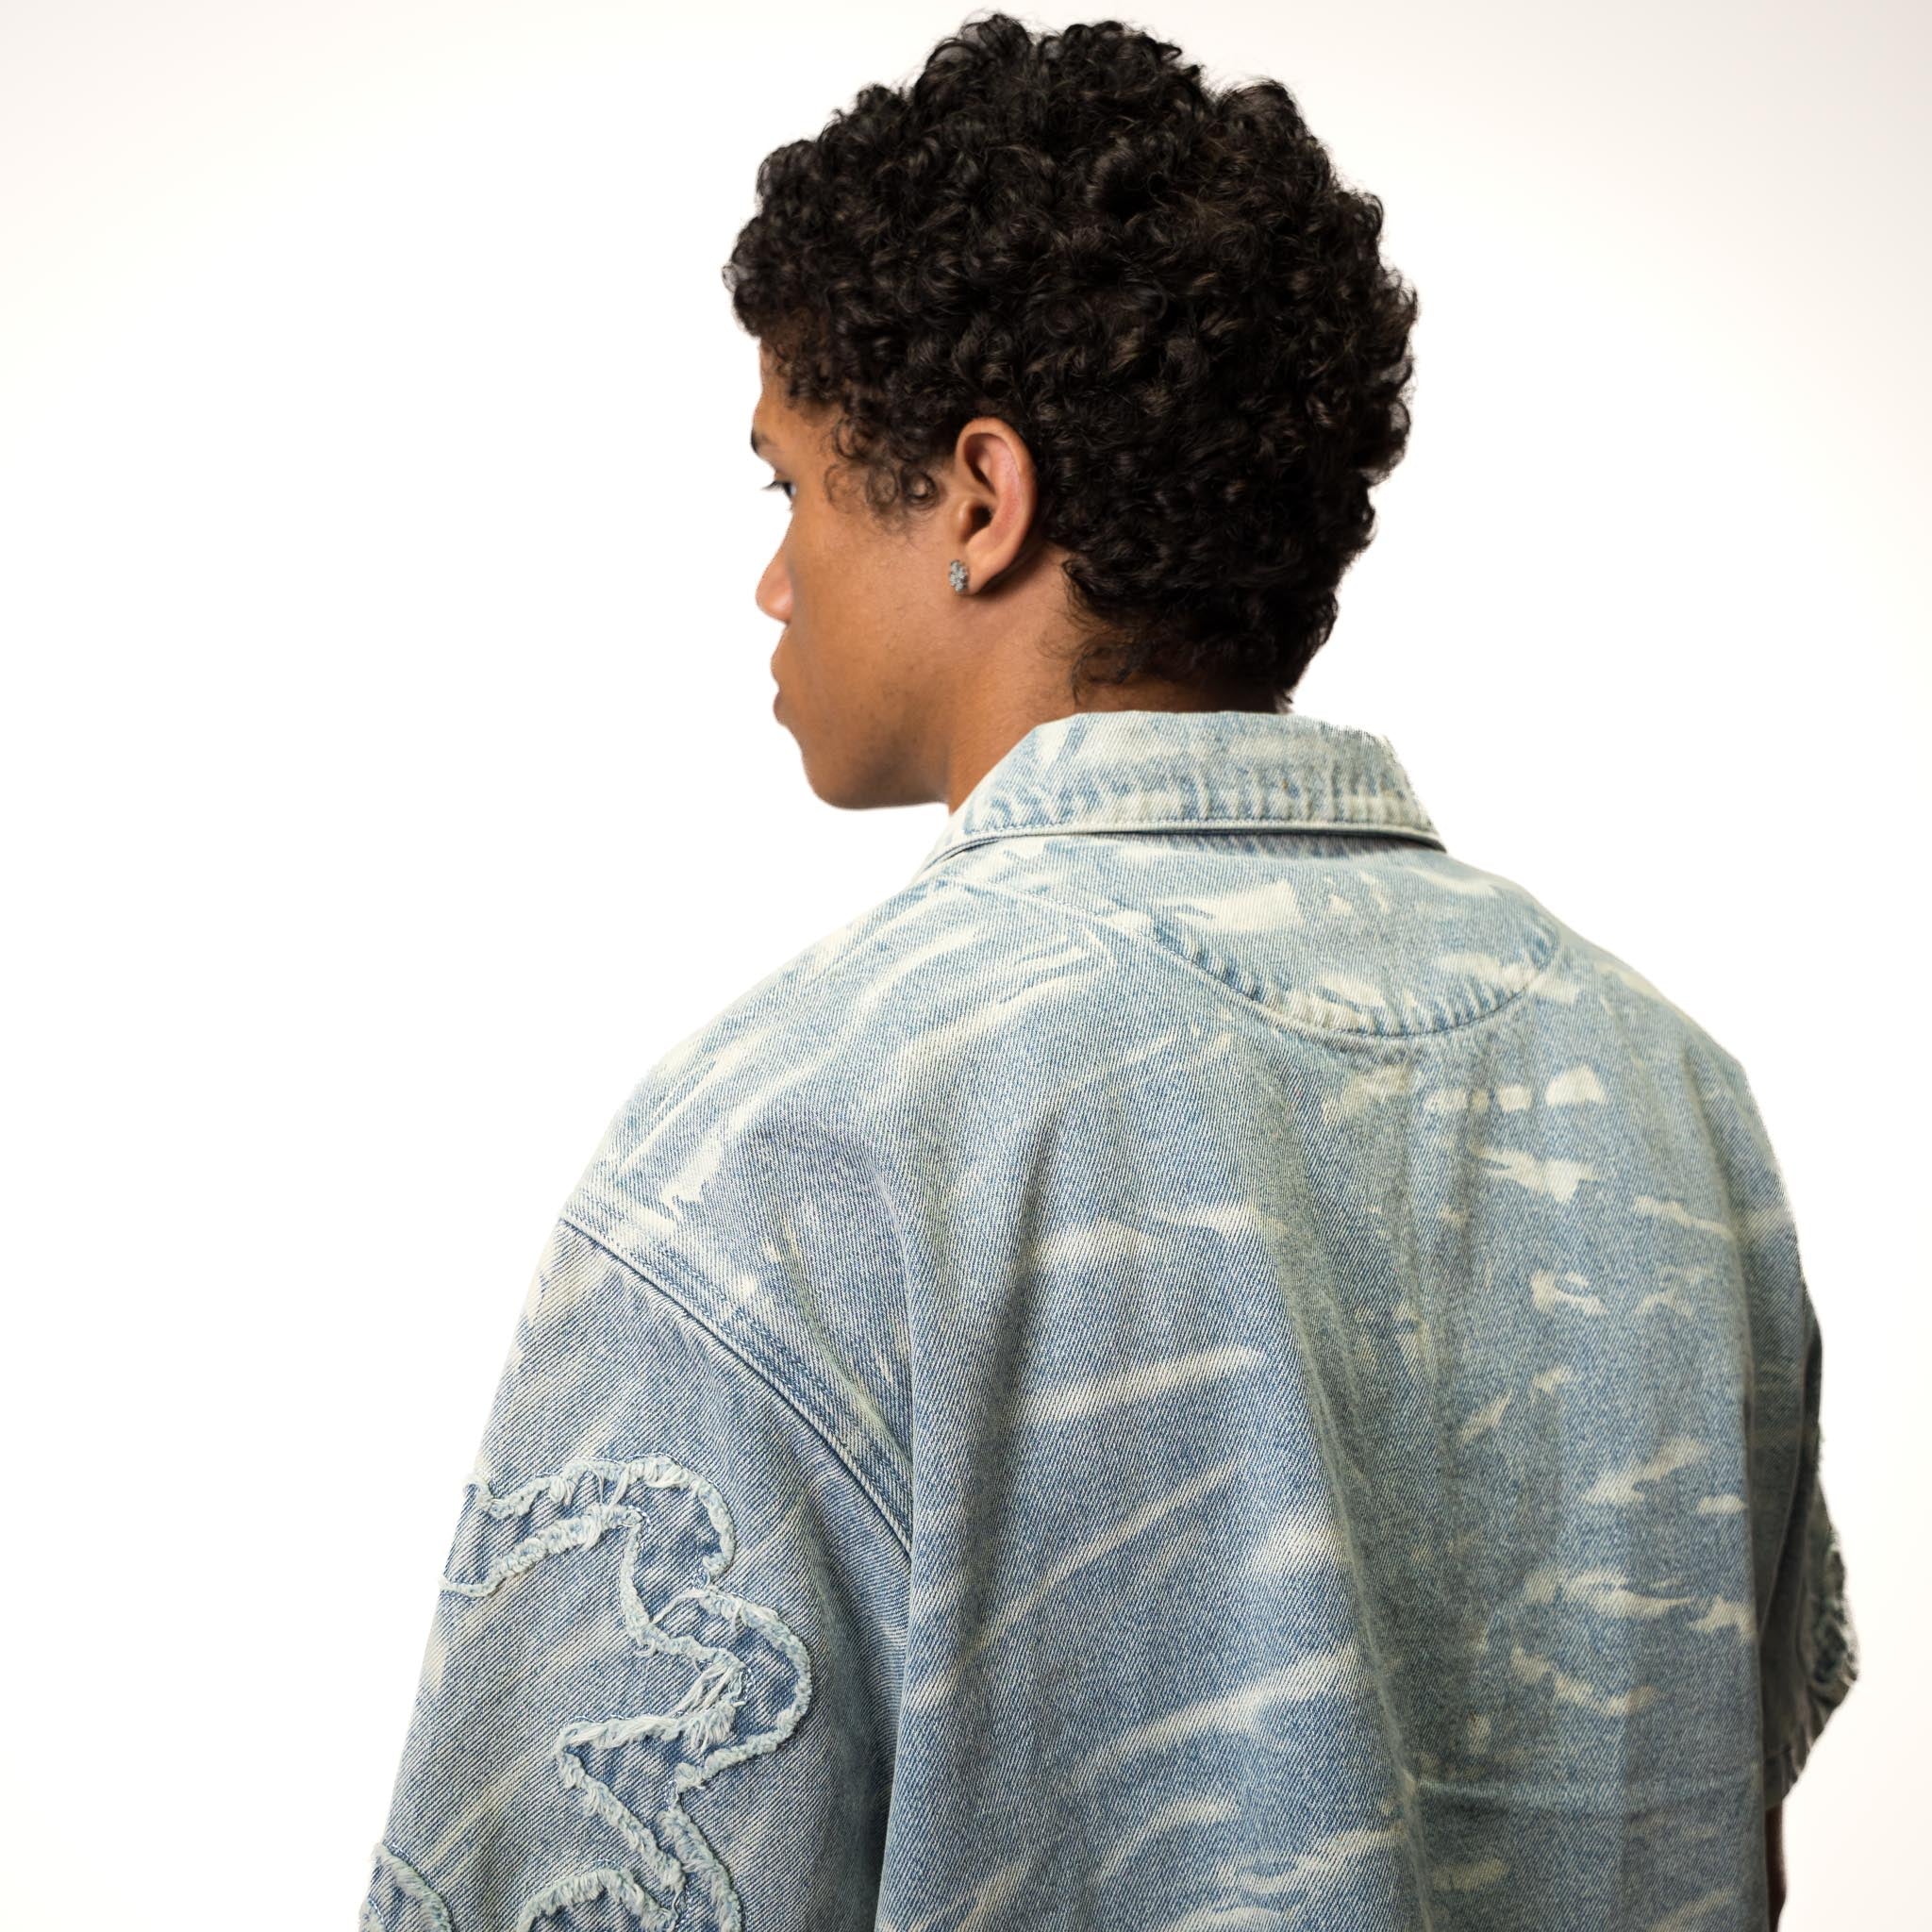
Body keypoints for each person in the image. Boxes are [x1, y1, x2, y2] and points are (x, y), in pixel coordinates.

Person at [358, 15, 1856, 1929]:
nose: (772, 580)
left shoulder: (794, 1144)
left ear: (980, 499)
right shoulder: (1670, 1107)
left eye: (787, 488)